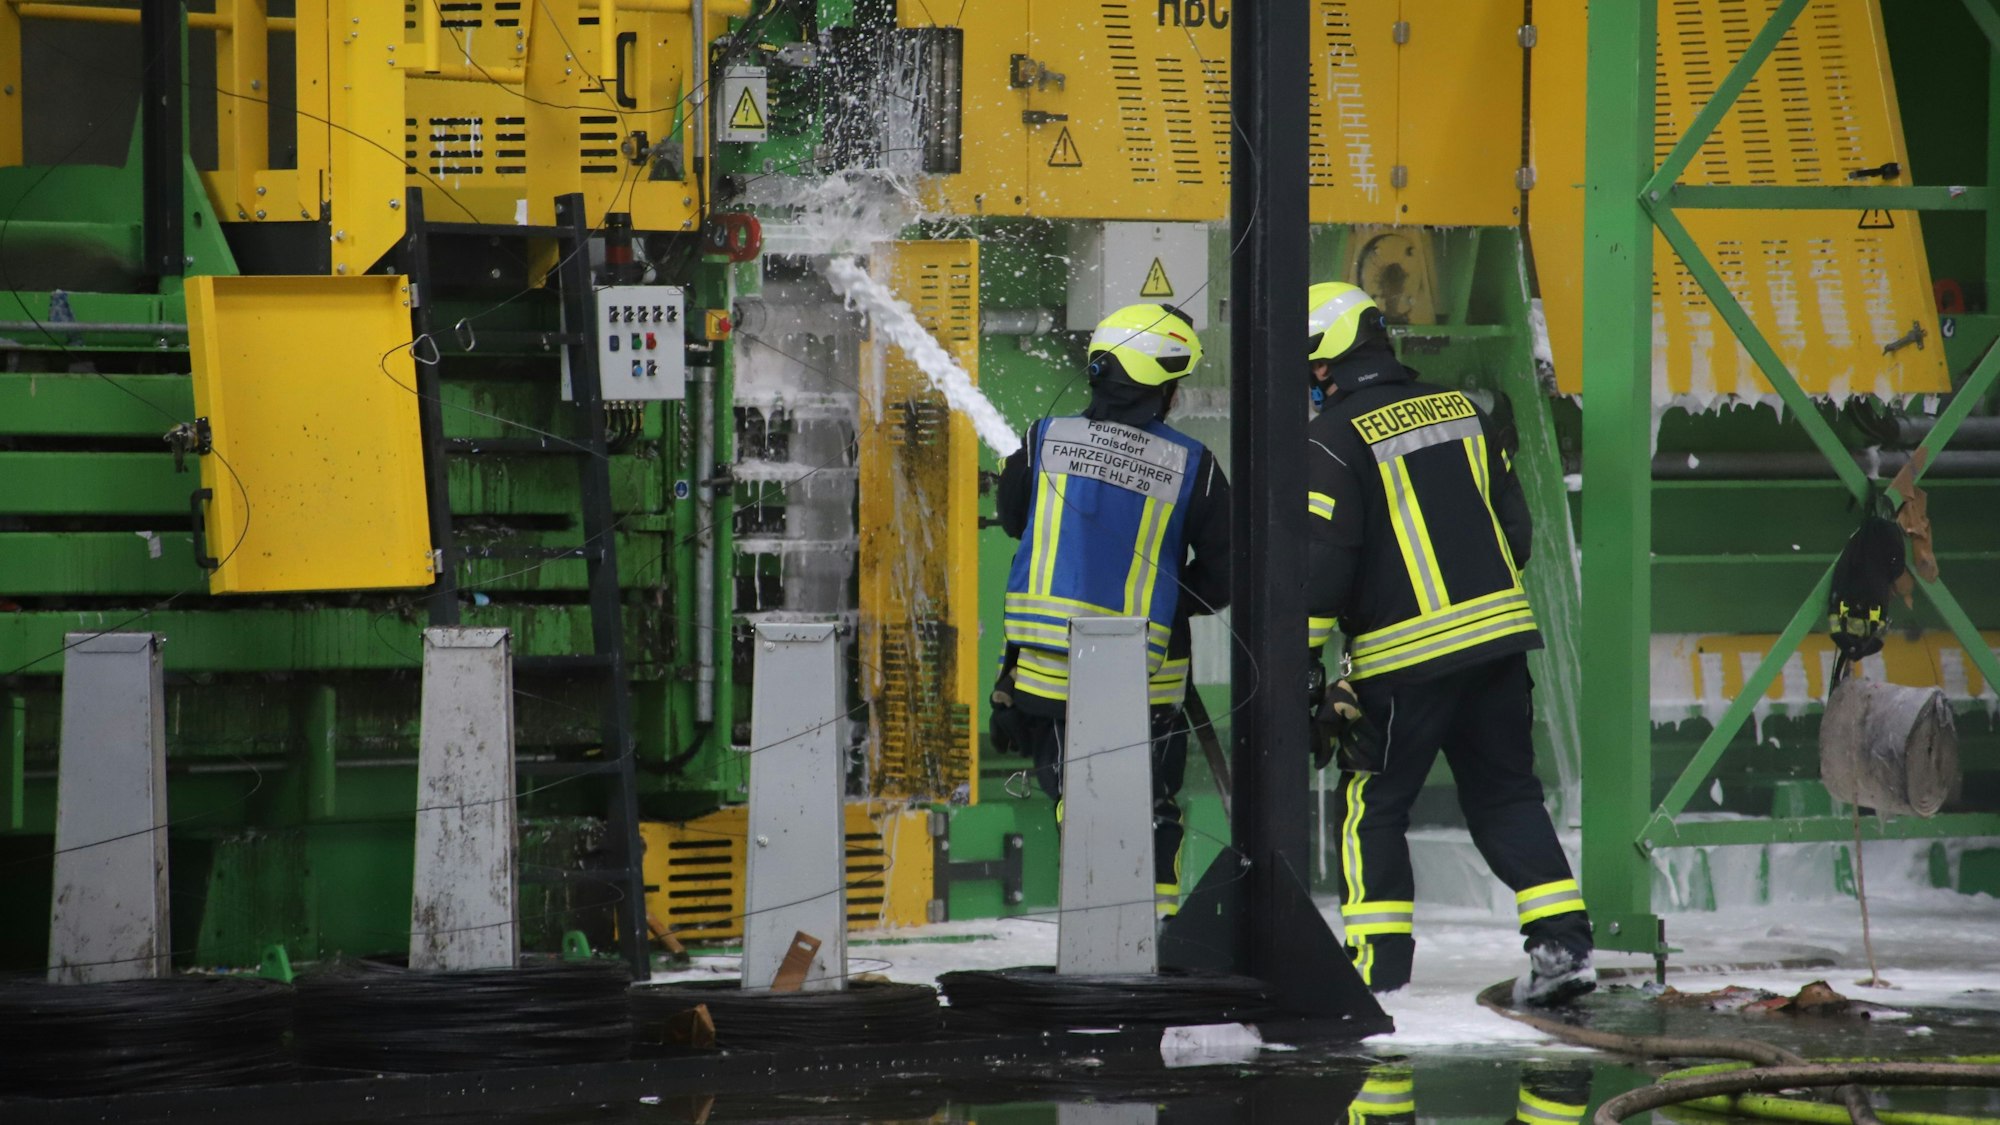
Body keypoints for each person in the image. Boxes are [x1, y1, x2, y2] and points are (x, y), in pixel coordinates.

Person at [1301, 280, 1594, 1004]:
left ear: (1325, 361)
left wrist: (1301, 663)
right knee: (1506, 794)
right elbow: (1516, 535)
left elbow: (1324, 566)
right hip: (1498, 647)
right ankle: (1565, 947)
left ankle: (1376, 970)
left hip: (1402, 664)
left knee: (1372, 803)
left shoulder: (1332, 438)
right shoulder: (1465, 411)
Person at [988, 302, 1231, 918]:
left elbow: (1017, 523)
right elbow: (1230, 569)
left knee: (1078, 794)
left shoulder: (1041, 440)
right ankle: (1158, 935)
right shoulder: (1193, 466)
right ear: (1164, 388)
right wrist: (1175, 597)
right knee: (1150, 804)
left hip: (1045, 674)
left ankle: (1101, 930)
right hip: (1146, 678)